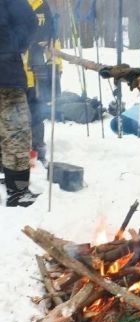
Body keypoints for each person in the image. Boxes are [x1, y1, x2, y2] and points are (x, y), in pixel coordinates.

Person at [0, 0, 39, 207]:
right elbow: (30, 24)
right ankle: (18, 191)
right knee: (16, 134)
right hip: (7, 78)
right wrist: (11, 46)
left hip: (7, 73)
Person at [24, 0, 60, 167]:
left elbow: (53, 38)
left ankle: (38, 150)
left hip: (36, 73)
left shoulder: (42, 6)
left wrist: (56, 65)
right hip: (11, 73)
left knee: (36, 113)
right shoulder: (10, 5)